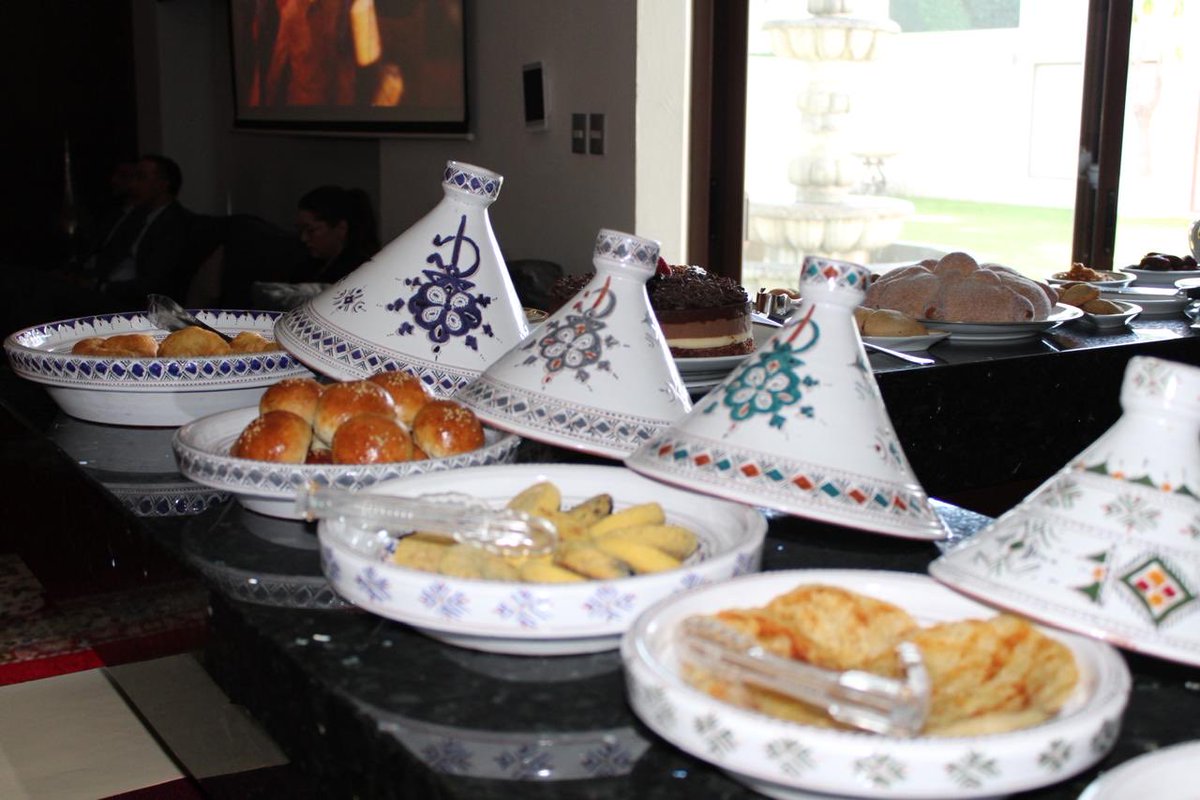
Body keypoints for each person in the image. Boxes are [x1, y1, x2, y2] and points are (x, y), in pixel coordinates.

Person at [293, 185, 380, 283]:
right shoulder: (308, 265)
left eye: (311, 230)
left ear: (341, 228)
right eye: (300, 230)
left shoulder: (357, 272)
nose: (304, 238)